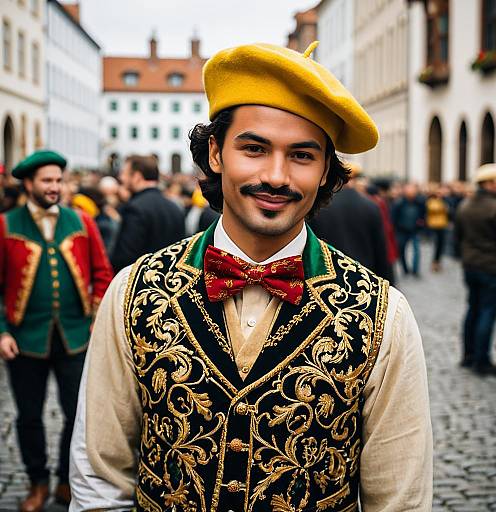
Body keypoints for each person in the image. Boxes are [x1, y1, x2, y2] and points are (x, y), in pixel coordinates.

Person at [70, 42, 432, 511]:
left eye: (302, 155)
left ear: (326, 171)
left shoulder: (385, 315)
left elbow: (401, 498)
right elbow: (99, 476)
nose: (277, 175)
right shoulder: (132, 292)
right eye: (255, 148)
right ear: (216, 154)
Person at [0, 150, 113, 511]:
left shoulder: (81, 221)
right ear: (29, 184)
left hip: (75, 337)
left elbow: (102, 273)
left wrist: (96, 316)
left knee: (75, 414)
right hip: (25, 341)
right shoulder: (5, 225)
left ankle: (66, 481)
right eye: (47, 181)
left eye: (58, 180)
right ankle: (36, 483)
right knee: (30, 416)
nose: (54, 187)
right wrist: (3, 332)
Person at [454, 164, 496, 376]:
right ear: (488, 183)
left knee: (473, 310)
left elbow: (457, 238)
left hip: (471, 266)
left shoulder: (465, 204)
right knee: (487, 313)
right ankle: (482, 360)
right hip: (493, 268)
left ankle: (468, 356)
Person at [310, 165, 394, 282]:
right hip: (364, 277)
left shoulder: (319, 206)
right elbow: (380, 250)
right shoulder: (371, 206)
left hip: (328, 277)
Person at [110, 155, 185, 273]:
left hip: (141, 283)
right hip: (170, 282)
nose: (121, 177)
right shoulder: (175, 207)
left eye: (124, 173)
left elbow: (124, 258)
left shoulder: (134, 208)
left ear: (137, 177)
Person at [392, 183, 425, 277]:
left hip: (415, 230)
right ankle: (405, 269)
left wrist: (421, 223)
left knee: (416, 250)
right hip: (402, 230)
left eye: (413, 191)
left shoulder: (419, 202)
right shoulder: (399, 203)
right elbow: (394, 217)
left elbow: (423, 214)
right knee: (401, 250)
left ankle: (415, 270)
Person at [425, 185, 449, 272]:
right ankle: (435, 262)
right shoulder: (431, 201)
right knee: (437, 244)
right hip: (434, 225)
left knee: (441, 245)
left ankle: (437, 262)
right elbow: (433, 209)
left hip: (442, 224)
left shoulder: (443, 201)